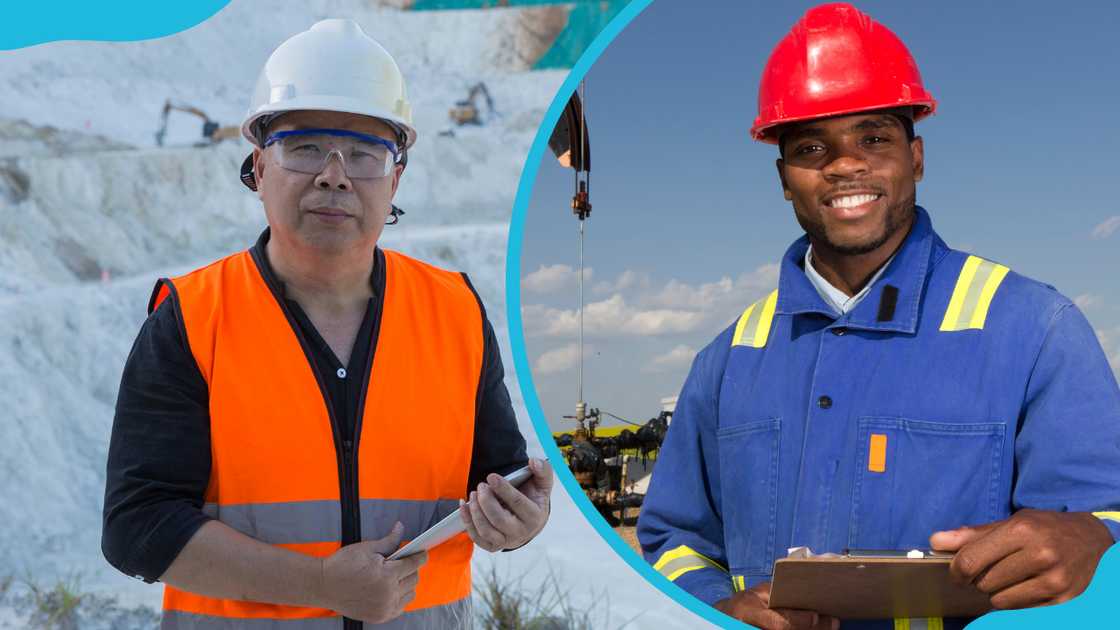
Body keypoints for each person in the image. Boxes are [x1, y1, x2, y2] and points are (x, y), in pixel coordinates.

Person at [636, 4, 1120, 630]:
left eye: (873, 138)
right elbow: (674, 540)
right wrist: (718, 606)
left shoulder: (1033, 331)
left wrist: (1094, 538)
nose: (844, 164)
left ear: (915, 157)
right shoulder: (727, 361)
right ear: (784, 177)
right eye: (812, 147)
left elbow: (1103, 515)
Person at [102, 19, 552, 629]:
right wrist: (317, 585)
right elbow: (137, 527)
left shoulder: (455, 313)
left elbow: (495, 480)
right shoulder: (193, 319)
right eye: (305, 146)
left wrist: (518, 521)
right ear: (259, 167)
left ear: (395, 178)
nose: (334, 174)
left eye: (365, 153)